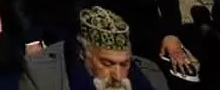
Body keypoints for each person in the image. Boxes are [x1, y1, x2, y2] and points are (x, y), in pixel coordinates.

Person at [21, 6, 166, 90]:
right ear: (83, 54)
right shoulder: (42, 78)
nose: (117, 75)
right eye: (107, 63)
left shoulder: (152, 76)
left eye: (124, 64)